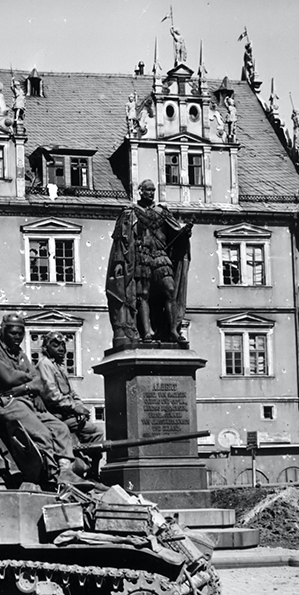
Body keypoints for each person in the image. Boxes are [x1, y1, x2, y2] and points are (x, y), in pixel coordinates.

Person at [0, 314, 83, 487]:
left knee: (60, 428)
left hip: (24, 400)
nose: (17, 337)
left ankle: (66, 471)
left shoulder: (20, 353)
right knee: (41, 433)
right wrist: (29, 381)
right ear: (3, 331)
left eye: (20, 333)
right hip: (6, 402)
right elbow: (8, 378)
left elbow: (38, 381)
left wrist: (29, 388)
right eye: (13, 333)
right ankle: (50, 475)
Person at [105, 179, 192, 346]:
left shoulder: (162, 212)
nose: (151, 193)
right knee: (143, 294)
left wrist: (184, 233)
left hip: (161, 256)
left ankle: (173, 330)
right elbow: (120, 241)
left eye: (153, 190)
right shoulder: (131, 212)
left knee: (170, 289)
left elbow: (175, 234)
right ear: (140, 191)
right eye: (148, 190)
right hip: (141, 256)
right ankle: (147, 331)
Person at [35, 331, 105, 475]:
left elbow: (72, 393)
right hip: (54, 417)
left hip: (68, 415)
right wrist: (74, 408)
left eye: (63, 345)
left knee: (96, 433)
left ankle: (93, 474)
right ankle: (68, 470)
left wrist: (80, 407)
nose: (61, 349)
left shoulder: (60, 367)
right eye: (55, 345)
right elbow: (52, 396)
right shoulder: (45, 365)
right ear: (46, 348)